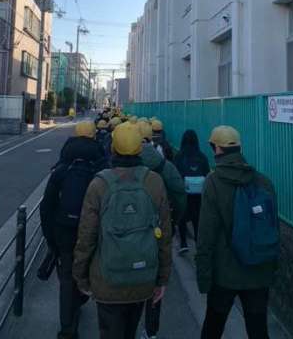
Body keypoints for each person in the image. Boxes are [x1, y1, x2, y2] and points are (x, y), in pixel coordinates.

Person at [73, 123, 172, 339]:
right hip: (143, 278)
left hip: (107, 280)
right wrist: (162, 278)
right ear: (140, 149)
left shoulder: (99, 184)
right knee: (130, 329)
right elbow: (164, 234)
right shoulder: (154, 182)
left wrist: (81, 276)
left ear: (113, 148)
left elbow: (86, 236)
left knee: (110, 331)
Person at [196, 126, 279, 339]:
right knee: (258, 329)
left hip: (224, 274)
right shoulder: (263, 182)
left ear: (216, 149)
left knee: (213, 328)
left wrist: (204, 277)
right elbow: (273, 229)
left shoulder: (213, 183)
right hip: (259, 270)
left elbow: (206, 236)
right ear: (240, 148)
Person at [40, 121, 107, 339]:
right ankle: (81, 296)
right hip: (92, 232)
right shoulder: (101, 167)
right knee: (87, 271)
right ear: (94, 136)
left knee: (67, 278)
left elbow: (46, 207)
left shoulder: (62, 168)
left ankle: (67, 329)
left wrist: (51, 240)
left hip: (64, 232)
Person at [138, 121, 186, 339]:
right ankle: (151, 330)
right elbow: (179, 194)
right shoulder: (166, 166)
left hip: (130, 233)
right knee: (156, 278)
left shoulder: (120, 167)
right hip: (159, 229)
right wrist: (173, 221)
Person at [175, 130, 210, 254]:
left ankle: (183, 243)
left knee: (182, 216)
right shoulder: (202, 156)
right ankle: (198, 242)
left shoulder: (179, 156)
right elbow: (207, 174)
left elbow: (176, 175)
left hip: (184, 192)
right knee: (197, 217)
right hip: (198, 194)